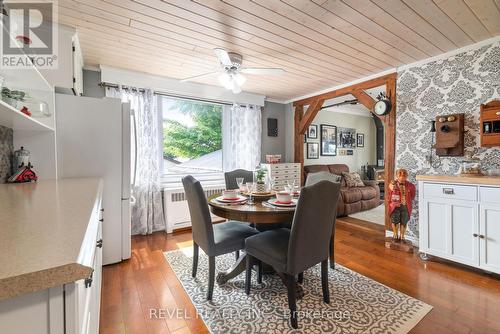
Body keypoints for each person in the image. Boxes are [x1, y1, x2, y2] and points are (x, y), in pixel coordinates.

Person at [388, 168, 416, 241]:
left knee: (404, 221)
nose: (402, 175)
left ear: (407, 176)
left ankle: (402, 236)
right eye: (400, 173)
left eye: (404, 174)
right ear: (396, 175)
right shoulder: (392, 184)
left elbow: (412, 196)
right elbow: (389, 195)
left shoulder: (411, 186)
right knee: (395, 220)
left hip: (405, 206)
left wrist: (406, 201)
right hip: (395, 206)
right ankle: (395, 234)